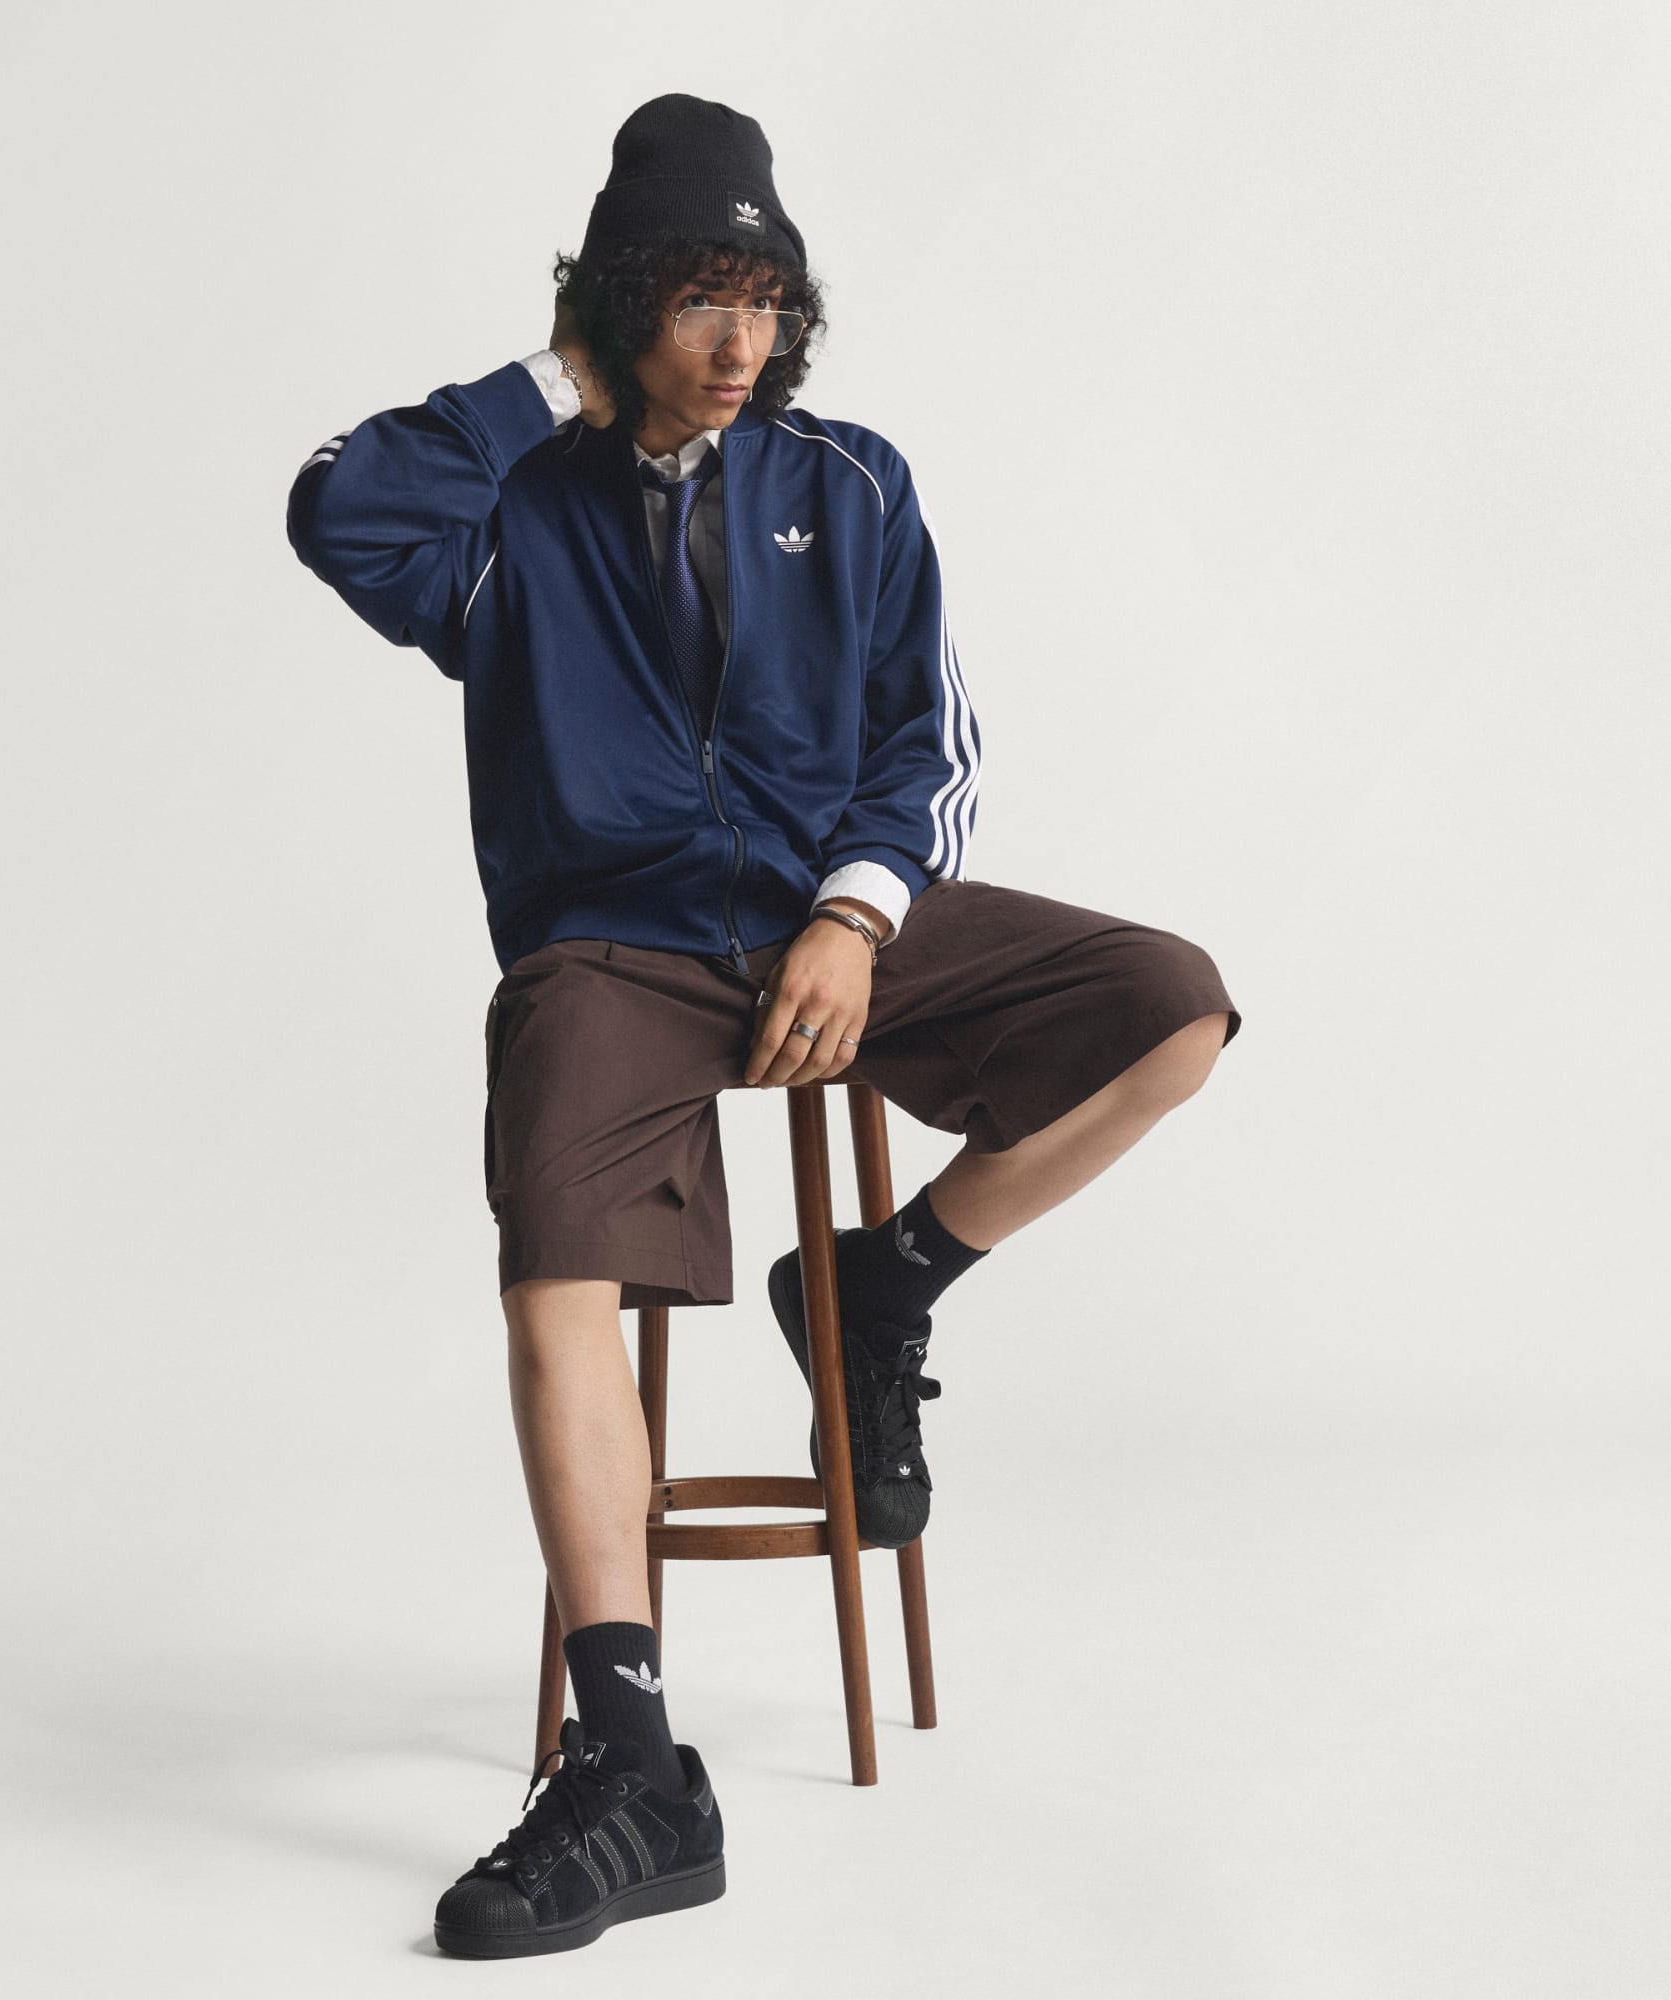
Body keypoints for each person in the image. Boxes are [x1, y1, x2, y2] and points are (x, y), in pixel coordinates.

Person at [287, 92, 1243, 1959]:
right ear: (618, 304)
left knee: (1170, 1006)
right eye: (694, 299)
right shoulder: (511, 510)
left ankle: (878, 1285)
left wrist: (856, 916)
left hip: (834, 922)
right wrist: (557, 380)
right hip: (613, 950)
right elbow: (338, 508)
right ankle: (632, 1764)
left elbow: (926, 741)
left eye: (765, 300)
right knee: (553, 1259)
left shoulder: (854, 483)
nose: (738, 340)